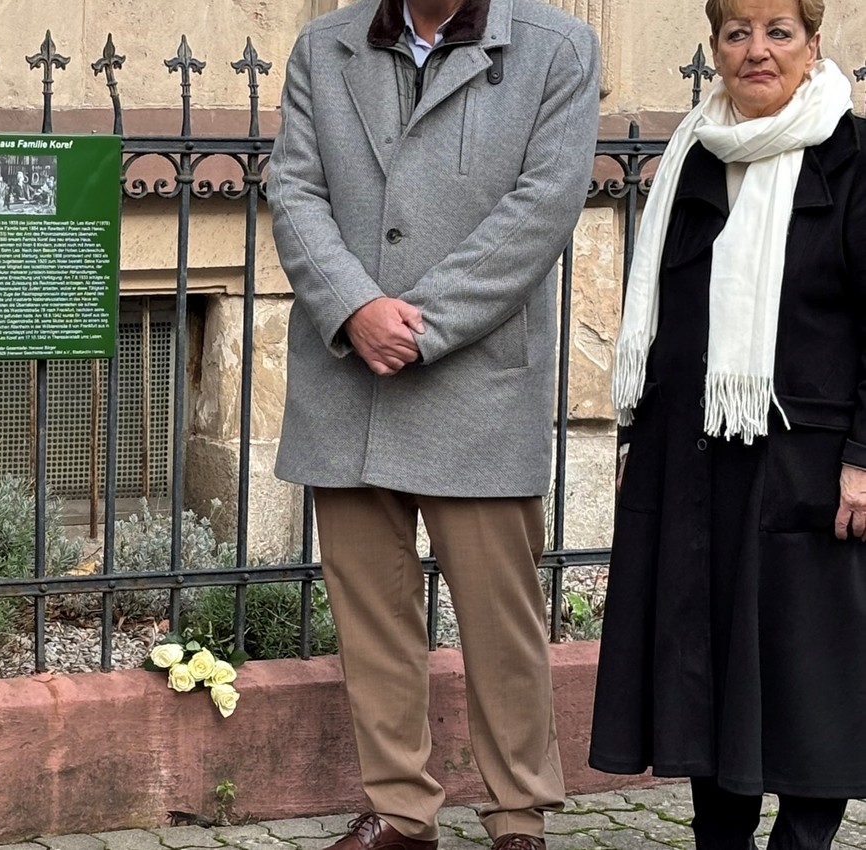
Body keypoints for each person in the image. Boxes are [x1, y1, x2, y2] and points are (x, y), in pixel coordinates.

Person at [269, 0, 601, 848]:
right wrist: (354, 308)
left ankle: (518, 816)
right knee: (372, 617)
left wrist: (420, 323)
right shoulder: (323, 46)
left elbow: (543, 208)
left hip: (477, 380)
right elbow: (295, 189)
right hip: (349, 383)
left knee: (501, 622)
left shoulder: (557, 49)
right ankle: (401, 815)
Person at [590, 1, 866, 847]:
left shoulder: (851, 163)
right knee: (709, 670)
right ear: (714, 47)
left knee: (808, 674)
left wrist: (863, 456)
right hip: (700, 461)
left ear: (814, 45)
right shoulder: (691, 158)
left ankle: (804, 840)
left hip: (810, 470)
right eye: (737, 32)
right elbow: (668, 318)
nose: (757, 51)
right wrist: (640, 438)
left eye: (778, 32)